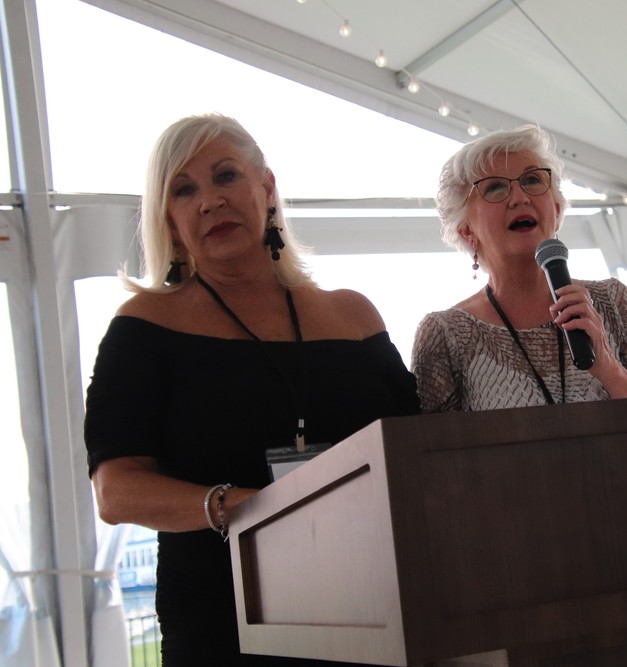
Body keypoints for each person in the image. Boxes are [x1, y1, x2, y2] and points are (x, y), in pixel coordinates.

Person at [84, 113, 420, 666]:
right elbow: (116, 493)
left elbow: (414, 452)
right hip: (223, 625)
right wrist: (246, 509)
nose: (209, 201)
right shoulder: (143, 327)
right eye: (184, 190)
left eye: (225, 176)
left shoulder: (354, 315)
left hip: (375, 612)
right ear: (169, 220)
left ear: (266, 188)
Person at [410, 125, 627, 664]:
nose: (519, 197)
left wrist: (607, 366)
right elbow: (435, 487)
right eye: (494, 188)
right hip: (514, 589)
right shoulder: (445, 334)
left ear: (556, 209)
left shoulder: (612, 303)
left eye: (533, 181)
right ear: (466, 230)